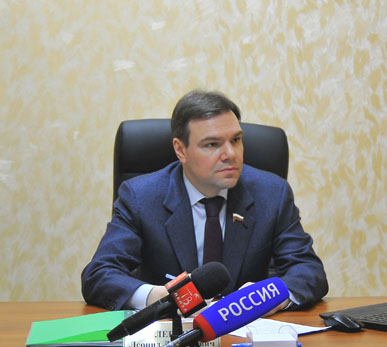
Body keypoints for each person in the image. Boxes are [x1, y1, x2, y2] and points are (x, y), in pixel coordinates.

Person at [81, 90, 328, 314]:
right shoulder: (141, 197)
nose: (230, 154)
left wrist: (269, 296)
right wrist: (157, 297)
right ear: (181, 150)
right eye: (212, 144)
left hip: (245, 333)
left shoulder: (271, 193)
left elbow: (308, 270)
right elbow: (99, 274)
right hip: (171, 333)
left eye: (236, 140)